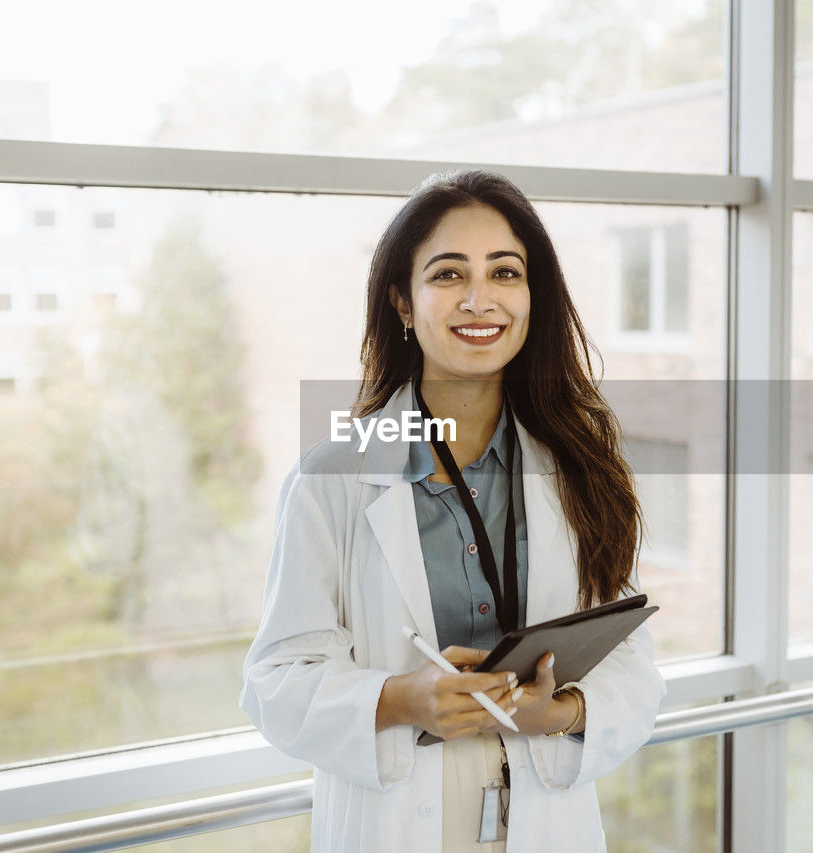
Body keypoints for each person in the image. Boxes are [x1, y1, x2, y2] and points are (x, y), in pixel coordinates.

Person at [240, 169, 665, 852]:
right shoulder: (335, 476)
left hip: (546, 816)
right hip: (399, 820)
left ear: (533, 298)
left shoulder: (581, 468)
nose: (479, 299)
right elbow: (275, 682)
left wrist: (566, 710)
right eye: (446, 275)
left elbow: (633, 661)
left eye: (505, 272)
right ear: (402, 304)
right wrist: (403, 698)